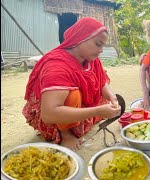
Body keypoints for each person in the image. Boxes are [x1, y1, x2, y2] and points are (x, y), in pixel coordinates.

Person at [22, 18, 121, 151]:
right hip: (52, 114)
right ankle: (66, 134)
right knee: (73, 94)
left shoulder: (90, 58)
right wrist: (98, 110)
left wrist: (111, 96)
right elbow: (49, 114)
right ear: (80, 38)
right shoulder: (56, 66)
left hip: (71, 104)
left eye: (103, 46)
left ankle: (79, 116)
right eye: (98, 44)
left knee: (82, 95)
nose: (101, 50)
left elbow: (101, 80)